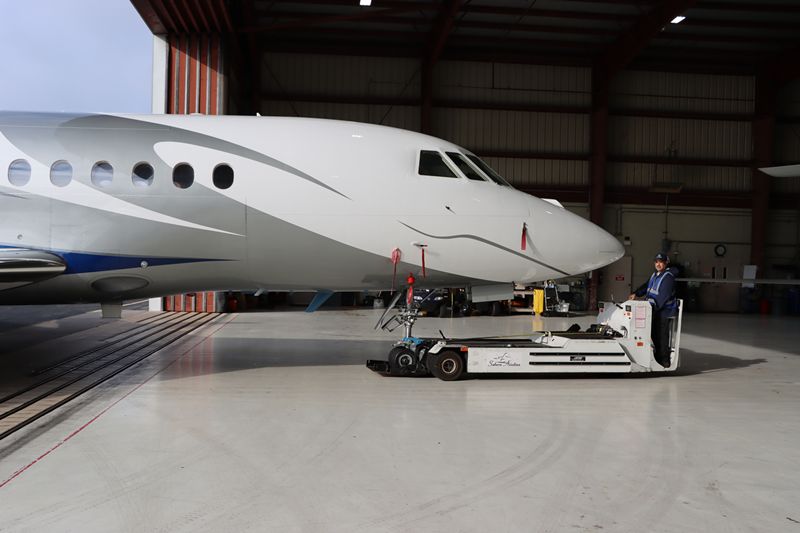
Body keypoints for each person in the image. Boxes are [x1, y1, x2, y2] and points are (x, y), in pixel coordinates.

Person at [629, 252, 678, 368]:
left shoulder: (668, 277)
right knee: (653, 336)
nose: (658, 264)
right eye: (656, 262)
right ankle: (655, 358)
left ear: (666, 263)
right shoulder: (655, 275)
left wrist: (651, 309)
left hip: (663, 312)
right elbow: (646, 286)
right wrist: (636, 293)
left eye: (661, 262)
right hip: (653, 310)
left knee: (661, 336)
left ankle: (664, 361)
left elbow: (663, 297)